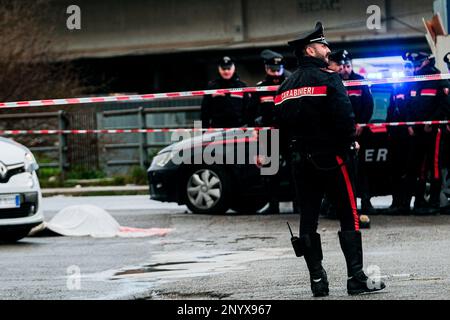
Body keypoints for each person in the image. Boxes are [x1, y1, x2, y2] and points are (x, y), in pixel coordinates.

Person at [275, 22, 385, 297]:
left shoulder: (285, 86)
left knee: (308, 218)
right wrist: (350, 142)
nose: (328, 50)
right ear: (310, 50)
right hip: (334, 159)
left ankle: (317, 281)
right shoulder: (330, 78)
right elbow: (345, 119)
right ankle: (355, 278)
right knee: (349, 215)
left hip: (300, 161)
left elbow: (278, 128)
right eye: (324, 45)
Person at [404, 52, 450, 215]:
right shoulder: (414, 81)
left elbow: (445, 105)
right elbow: (408, 104)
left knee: (435, 166)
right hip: (418, 131)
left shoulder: (437, 78)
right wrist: (411, 123)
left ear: (426, 62)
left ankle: (435, 202)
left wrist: (432, 121)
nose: (415, 67)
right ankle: (420, 201)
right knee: (420, 167)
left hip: (434, 130)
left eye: (418, 63)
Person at [247, 50, 290, 214]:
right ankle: (273, 204)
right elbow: (250, 111)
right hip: (268, 133)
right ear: (266, 68)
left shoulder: (289, 83)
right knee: (270, 170)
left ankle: (298, 204)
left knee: (294, 169)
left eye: (278, 68)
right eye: (272, 68)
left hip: (289, 132)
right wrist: (254, 128)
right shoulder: (260, 88)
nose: (276, 71)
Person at [338, 51, 375, 217]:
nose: (344, 69)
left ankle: (366, 202)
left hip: (360, 132)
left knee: (363, 169)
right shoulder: (335, 82)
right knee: (342, 169)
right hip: (343, 133)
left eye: (347, 66)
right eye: (342, 66)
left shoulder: (360, 81)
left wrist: (362, 123)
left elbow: (369, 105)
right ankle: (340, 205)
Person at [384, 62, 415, 214]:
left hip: (408, 135)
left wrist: (409, 125)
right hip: (395, 134)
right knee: (394, 170)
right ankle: (396, 201)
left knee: (407, 170)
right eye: (406, 68)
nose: (407, 71)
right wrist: (388, 128)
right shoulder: (398, 87)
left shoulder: (416, 85)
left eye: (410, 68)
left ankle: (405, 203)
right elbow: (390, 108)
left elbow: (411, 109)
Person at [201, 56, 249, 128]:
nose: (226, 71)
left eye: (229, 68)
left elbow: (248, 109)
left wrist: (248, 127)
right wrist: (201, 132)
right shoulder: (211, 86)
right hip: (217, 129)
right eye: (223, 69)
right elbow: (204, 111)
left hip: (239, 129)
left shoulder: (242, 86)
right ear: (219, 69)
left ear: (234, 68)